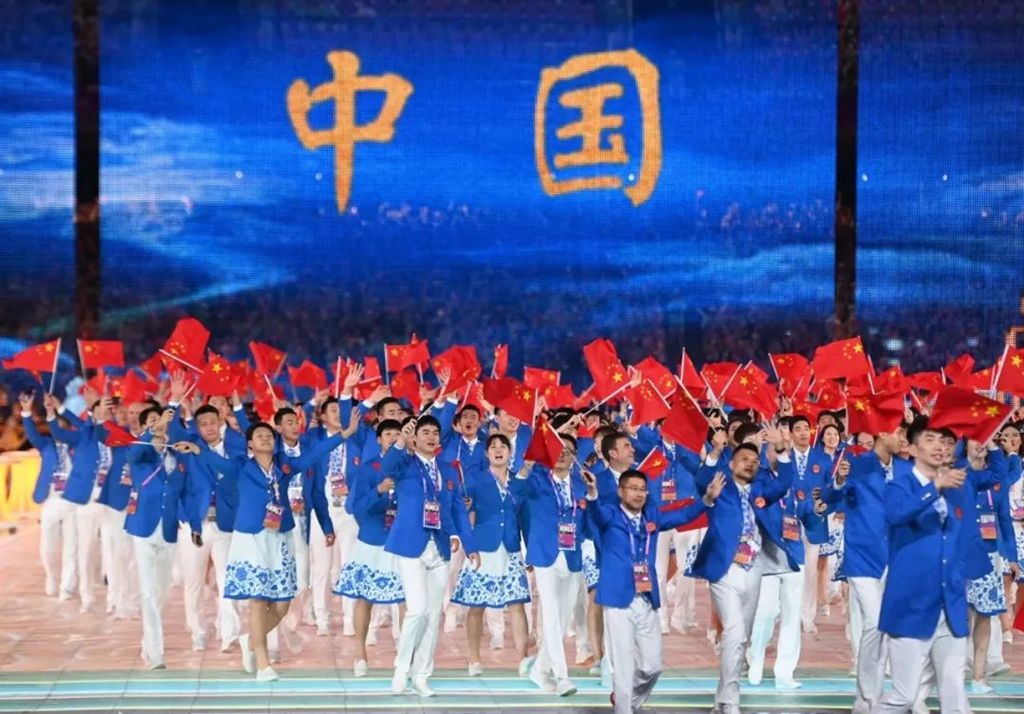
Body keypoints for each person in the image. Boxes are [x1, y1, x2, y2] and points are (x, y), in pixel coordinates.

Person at [181, 421, 342, 681]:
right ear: (250, 444)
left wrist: (344, 435)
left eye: (269, 435)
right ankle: (263, 663)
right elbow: (215, 461)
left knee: (282, 604)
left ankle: (250, 640)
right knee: (258, 599)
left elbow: (315, 454)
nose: (266, 438)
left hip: (280, 537)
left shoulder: (284, 466)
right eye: (259, 435)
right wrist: (197, 449)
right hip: (251, 538)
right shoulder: (241, 466)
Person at [584, 467, 724, 714]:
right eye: (633, 489)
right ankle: (624, 709)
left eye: (643, 489)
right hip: (618, 599)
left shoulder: (652, 517)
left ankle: (629, 701)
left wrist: (707, 499)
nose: (639, 494)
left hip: (647, 597)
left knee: (652, 666)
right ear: (620, 491)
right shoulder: (610, 515)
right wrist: (593, 492)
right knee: (623, 665)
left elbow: (682, 516)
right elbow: (595, 513)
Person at [875, 417, 987, 712]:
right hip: (912, 603)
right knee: (904, 696)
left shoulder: (958, 487)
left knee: (955, 695)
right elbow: (897, 514)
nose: (939, 446)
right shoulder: (898, 485)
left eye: (944, 441)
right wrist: (935, 486)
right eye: (930, 439)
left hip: (950, 603)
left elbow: (964, 535)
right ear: (912, 448)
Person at [690, 434, 793, 714]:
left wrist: (781, 450)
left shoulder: (760, 490)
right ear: (732, 463)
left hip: (753, 566)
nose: (750, 463)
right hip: (724, 568)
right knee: (734, 633)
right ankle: (731, 700)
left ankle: (722, 699)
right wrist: (715, 452)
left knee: (741, 637)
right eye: (744, 459)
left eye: (755, 461)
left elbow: (784, 483)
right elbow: (702, 481)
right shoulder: (720, 488)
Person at [382, 416, 479, 697]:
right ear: (414, 437)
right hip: (410, 545)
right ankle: (401, 668)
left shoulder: (448, 470)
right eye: (425, 432)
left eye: (435, 433)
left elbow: (458, 508)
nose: (431, 437)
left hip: (440, 547)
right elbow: (385, 468)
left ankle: (422, 675)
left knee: (434, 615)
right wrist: (400, 441)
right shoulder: (404, 464)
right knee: (417, 610)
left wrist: (470, 545)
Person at [823, 424, 908, 712]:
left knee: (890, 627)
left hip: (895, 557)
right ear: (882, 434)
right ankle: (867, 699)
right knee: (874, 623)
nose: (902, 438)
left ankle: (880, 697)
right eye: (898, 432)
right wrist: (839, 480)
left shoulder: (906, 469)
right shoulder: (856, 465)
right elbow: (830, 498)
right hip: (862, 557)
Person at [450, 433, 531, 676]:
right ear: (486, 453)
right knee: (477, 606)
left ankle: (524, 659)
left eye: (502, 446)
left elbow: (526, 518)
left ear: (510, 452)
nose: (498, 450)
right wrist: (468, 544)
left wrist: (531, 552)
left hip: (511, 549)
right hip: (483, 550)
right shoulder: (475, 479)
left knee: (517, 604)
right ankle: (474, 659)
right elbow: (461, 510)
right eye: (493, 446)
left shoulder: (519, 481)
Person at [333, 419, 407, 676]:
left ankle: (405, 655)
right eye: (388, 434)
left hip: (401, 541)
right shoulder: (367, 468)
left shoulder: (409, 466)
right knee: (365, 598)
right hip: (372, 539)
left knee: (406, 599)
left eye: (398, 433)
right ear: (378, 439)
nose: (393, 437)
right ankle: (360, 655)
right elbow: (355, 508)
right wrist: (378, 490)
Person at [516, 437, 587, 697]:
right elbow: (515, 491)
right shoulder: (537, 480)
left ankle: (539, 669)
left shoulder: (582, 484)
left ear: (575, 456)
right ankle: (562, 676)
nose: (562, 454)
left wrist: (592, 495)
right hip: (545, 553)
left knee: (564, 617)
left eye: (568, 451)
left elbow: (590, 517)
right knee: (552, 615)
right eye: (557, 450)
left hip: (572, 555)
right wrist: (525, 468)